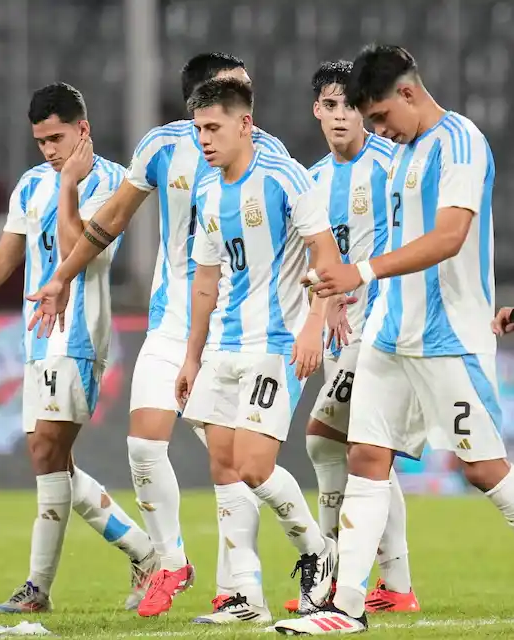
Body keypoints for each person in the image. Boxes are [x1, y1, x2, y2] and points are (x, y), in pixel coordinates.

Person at [23, 52, 293, 622]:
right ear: (198, 101)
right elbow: (111, 219)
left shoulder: (272, 157)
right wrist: (61, 276)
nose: (245, 108)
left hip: (234, 328)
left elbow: (297, 243)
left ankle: (248, 585)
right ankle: (171, 561)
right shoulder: (162, 147)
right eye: (231, 94)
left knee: (230, 462)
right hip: (172, 321)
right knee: (143, 445)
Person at [275, 45, 513, 635]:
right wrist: (339, 291)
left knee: (483, 470)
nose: (378, 129)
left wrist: (361, 272)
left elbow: (450, 236)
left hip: (447, 336)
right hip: (388, 333)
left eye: (379, 116)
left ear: (407, 93)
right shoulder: (402, 154)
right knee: (365, 458)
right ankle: (346, 606)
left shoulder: (460, 143)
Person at [0, 82, 157, 614]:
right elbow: (6, 256)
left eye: (57, 138)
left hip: (80, 334)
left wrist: (69, 186)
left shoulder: (114, 183)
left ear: (83, 129)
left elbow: (81, 248)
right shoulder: (31, 184)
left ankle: (37, 588)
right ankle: (146, 552)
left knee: (48, 454)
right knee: (52, 460)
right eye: (41, 142)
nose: (49, 151)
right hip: (36, 337)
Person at [169, 76, 342, 624]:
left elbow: (327, 256)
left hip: (277, 343)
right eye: (198, 129)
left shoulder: (284, 176)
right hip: (223, 344)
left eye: (213, 127)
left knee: (252, 465)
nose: (204, 139)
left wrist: (314, 324)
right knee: (224, 467)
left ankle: (317, 551)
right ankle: (245, 596)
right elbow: (205, 280)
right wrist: (192, 356)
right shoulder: (207, 189)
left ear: (245, 124)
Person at [281, 61, 420, 616]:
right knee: (367, 450)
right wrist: (323, 299)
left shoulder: (390, 163)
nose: (341, 116)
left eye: (349, 105)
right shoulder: (311, 179)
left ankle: (333, 573)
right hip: (342, 330)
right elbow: (314, 260)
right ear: (317, 110)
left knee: (323, 439)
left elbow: (414, 239)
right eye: (330, 105)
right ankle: (395, 584)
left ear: (363, 109)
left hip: (386, 324)